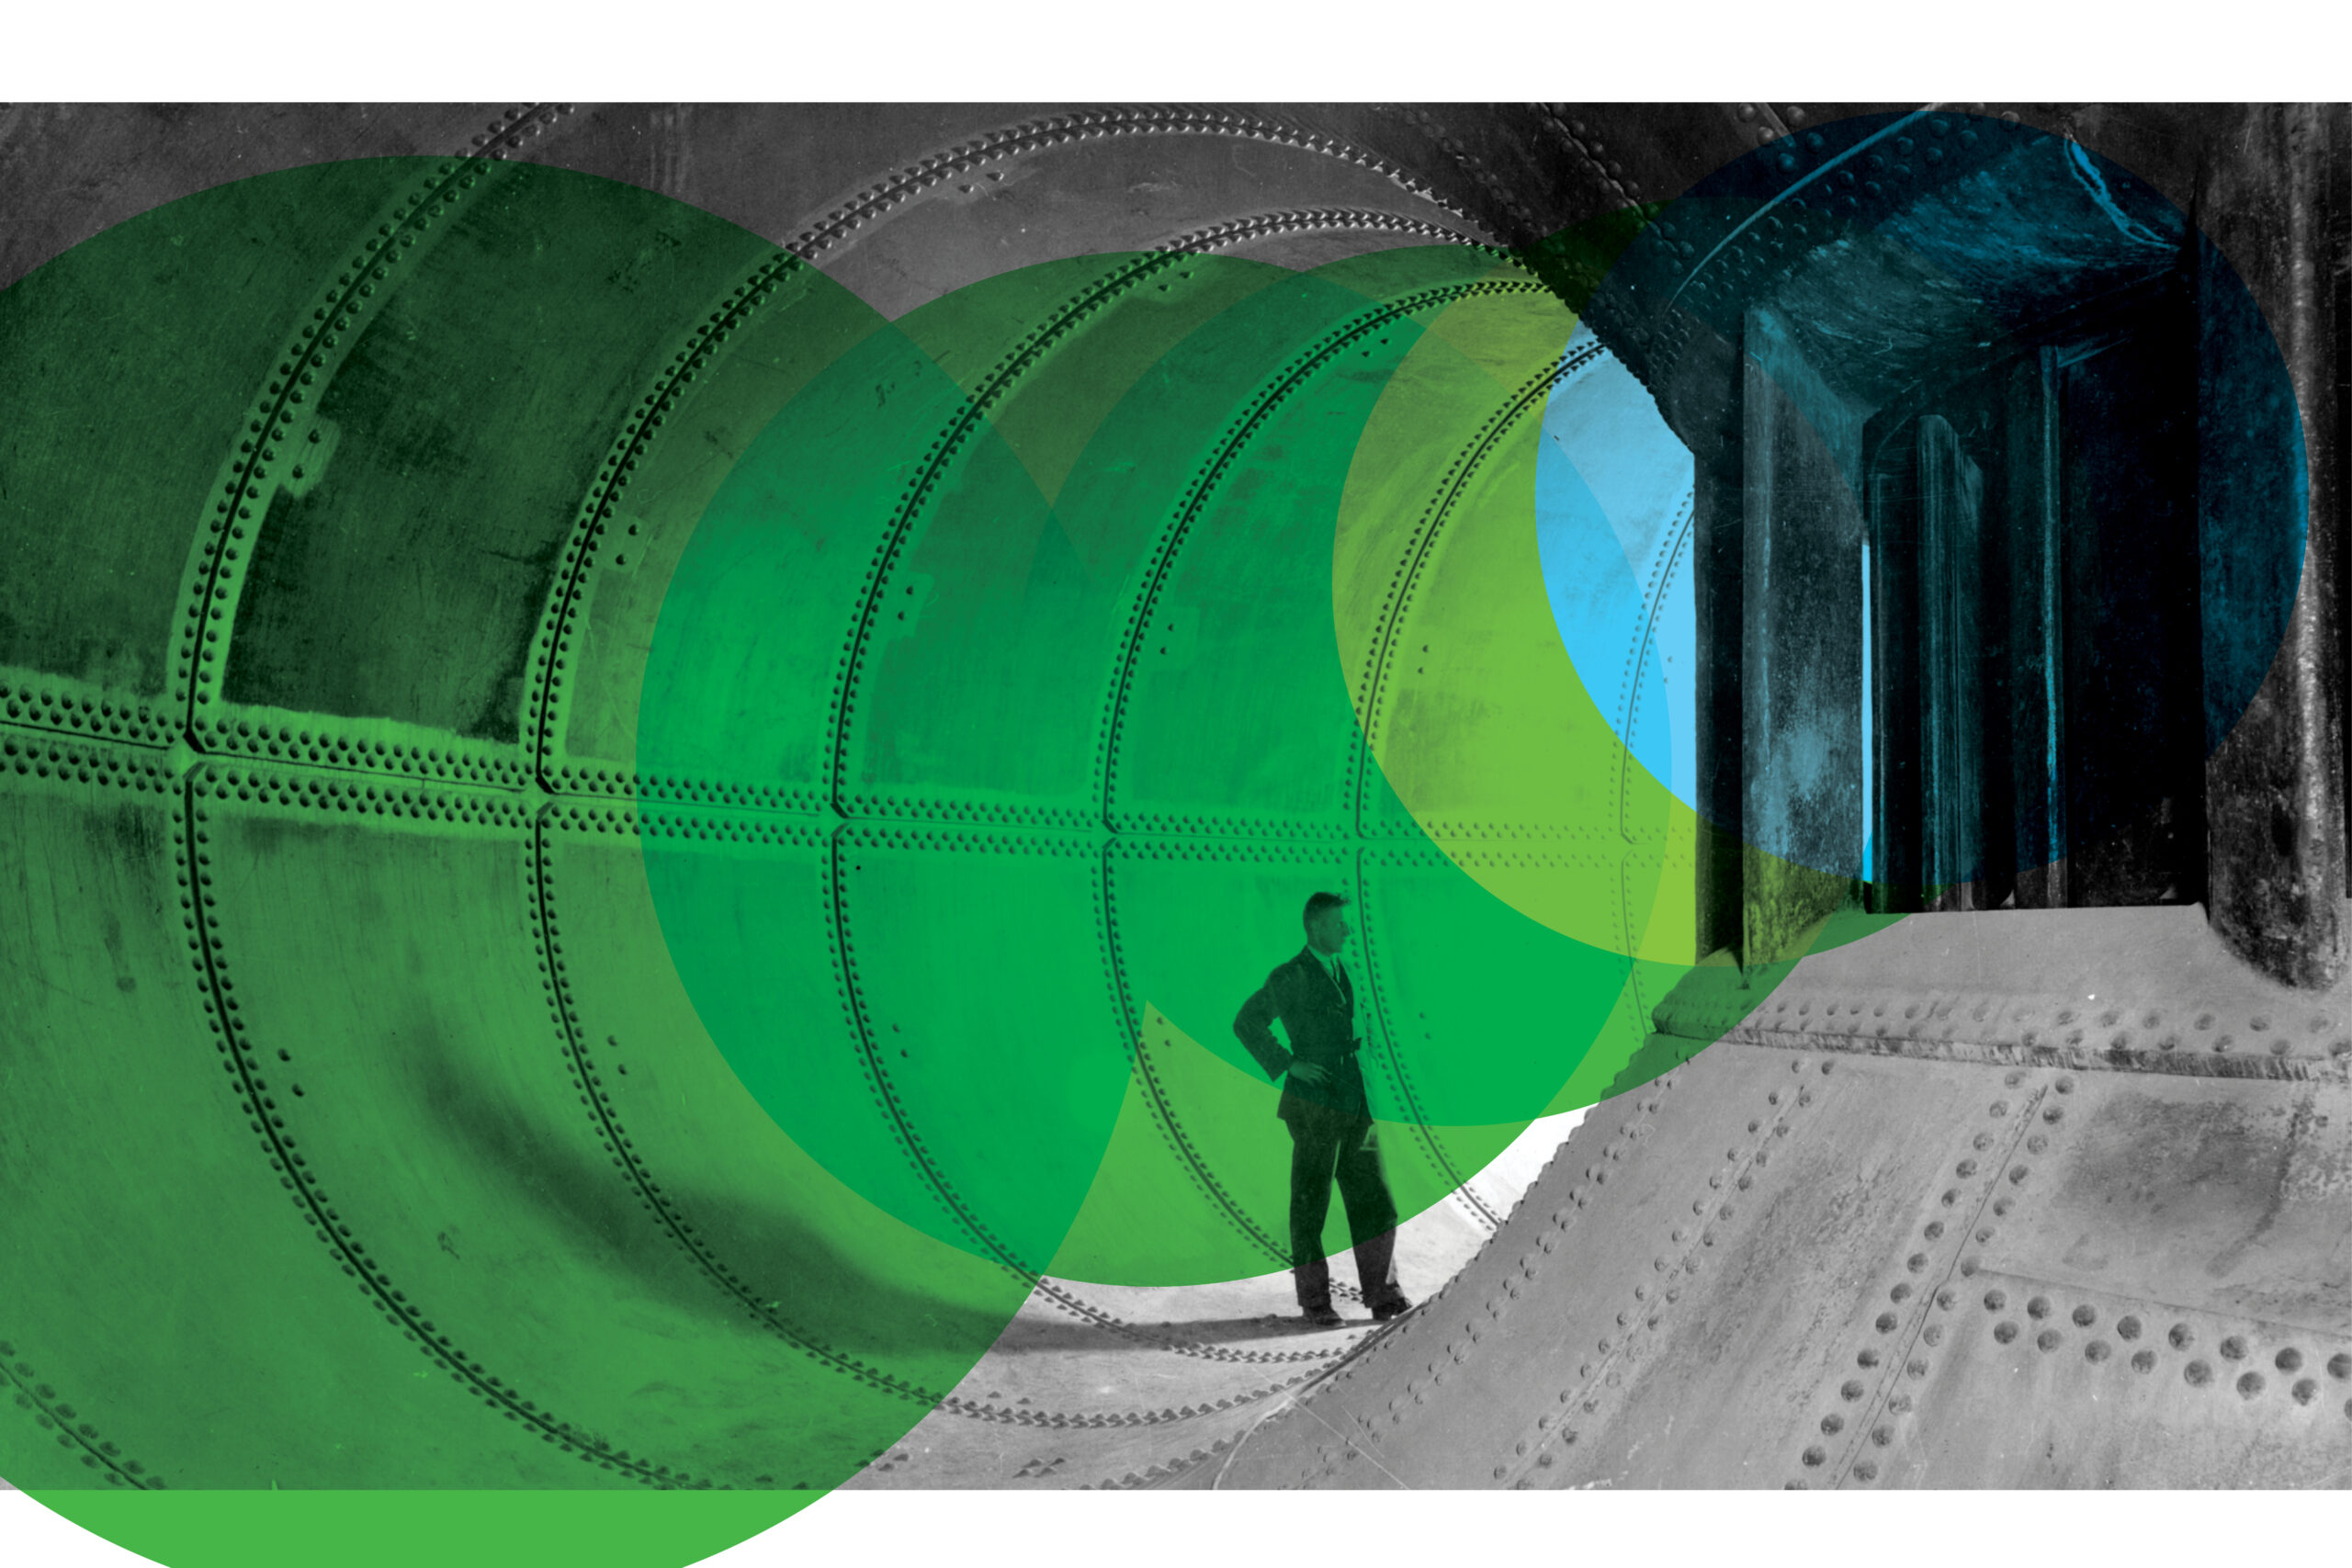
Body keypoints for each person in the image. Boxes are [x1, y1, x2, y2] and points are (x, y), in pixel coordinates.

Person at [1232, 891, 1412, 1328]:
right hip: (1314, 1106)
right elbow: (1246, 1021)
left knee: (1376, 1201)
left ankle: (1382, 1296)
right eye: (1338, 924)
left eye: (1346, 923)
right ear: (1315, 928)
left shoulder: (1345, 969)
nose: (1348, 930)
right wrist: (1288, 1063)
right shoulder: (1290, 975)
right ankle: (1315, 1303)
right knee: (1311, 1205)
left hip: (1355, 1101)